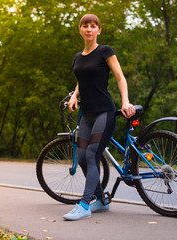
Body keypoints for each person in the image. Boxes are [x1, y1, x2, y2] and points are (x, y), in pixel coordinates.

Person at [63, 14, 136, 221]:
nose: (89, 29)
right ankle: (101, 201)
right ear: (80, 30)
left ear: (98, 31)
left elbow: (120, 77)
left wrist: (125, 101)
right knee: (84, 157)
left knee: (93, 154)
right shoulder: (78, 57)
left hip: (104, 111)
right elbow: (82, 79)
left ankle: (85, 204)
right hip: (87, 114)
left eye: (93, 26)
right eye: (85, 25)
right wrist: (74, 96)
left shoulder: (105, 51)